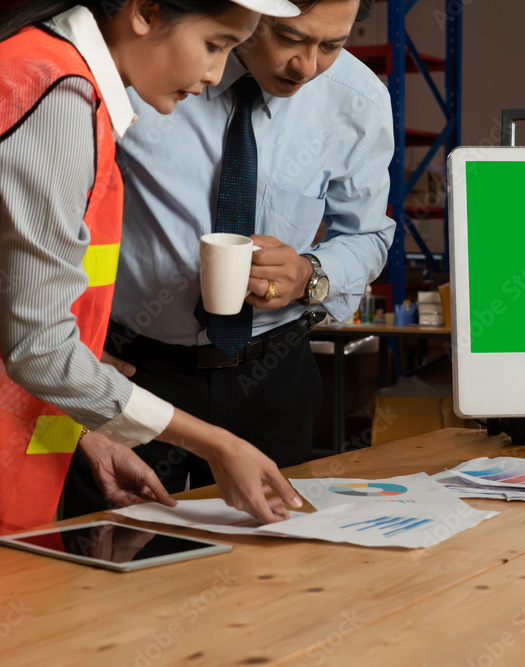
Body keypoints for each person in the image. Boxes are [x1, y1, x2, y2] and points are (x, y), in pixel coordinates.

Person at [0, 0, 305, 548]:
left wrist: (89, 430)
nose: (214, 76)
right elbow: (39, 349)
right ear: (145, 12)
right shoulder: (59, 97)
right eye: (215, 44)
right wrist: (218, 445)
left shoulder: (37, 59)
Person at [62, 0, 393, 514]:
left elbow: (368, 236)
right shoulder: (149, 68)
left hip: (275, 376)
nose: (306, 67)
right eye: (289, 38)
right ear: (252, 12)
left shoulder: (357, 100)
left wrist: (311, 273)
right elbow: (60, 220)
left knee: (268, 570)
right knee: (119, 557)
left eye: (332, 45)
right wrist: (72, 345)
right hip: (137, 370)